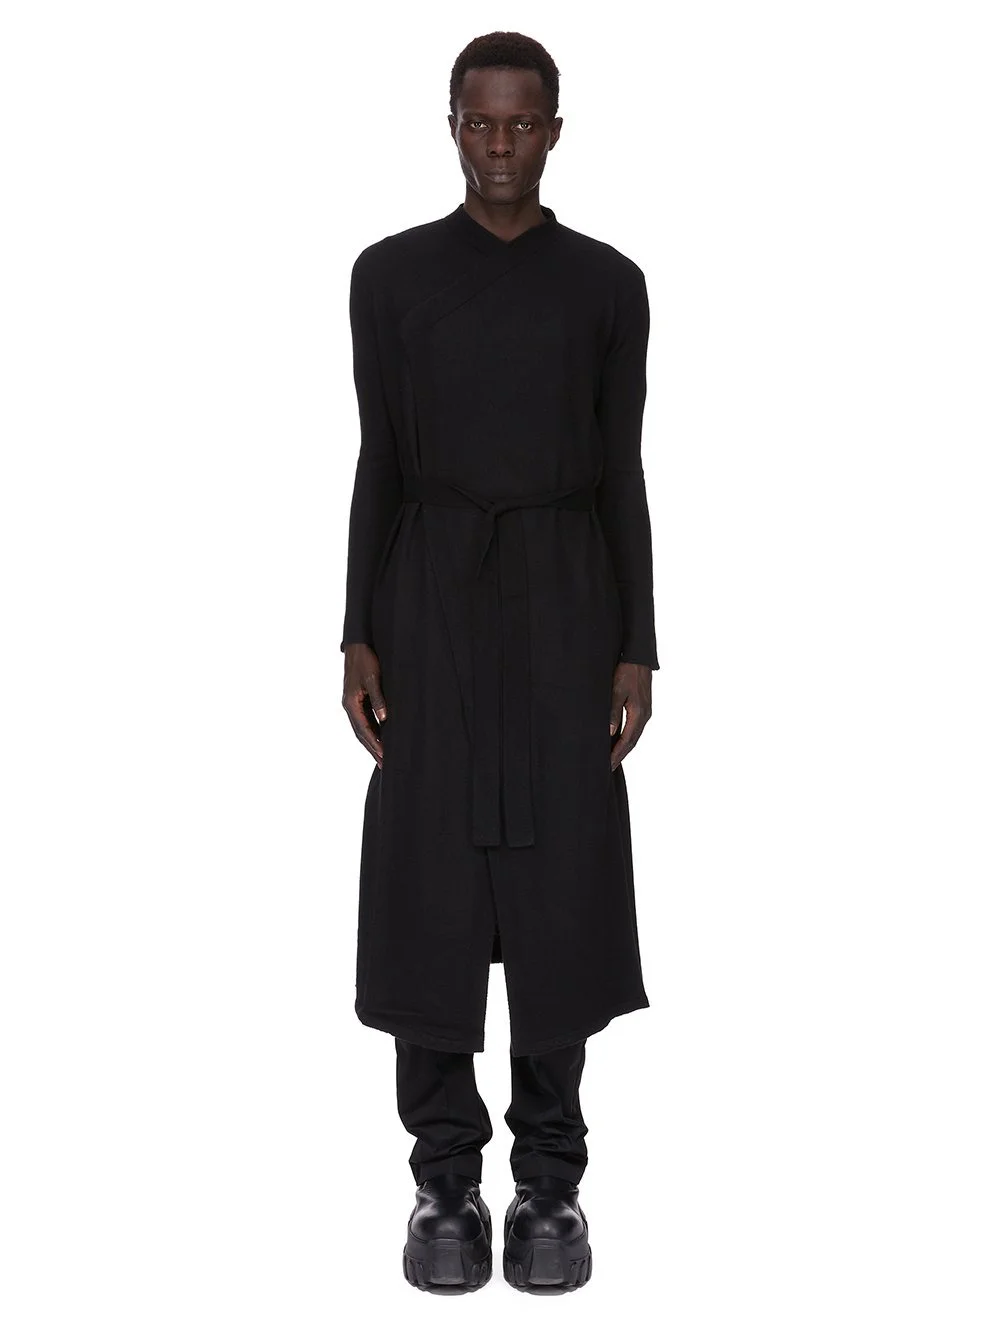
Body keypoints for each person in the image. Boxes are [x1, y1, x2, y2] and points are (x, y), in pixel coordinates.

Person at [340, 31, 658, 1292]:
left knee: (557, 896)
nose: (501, 146)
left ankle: (549, 1186)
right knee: (427, 891)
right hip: (427, 601)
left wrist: (637, 644)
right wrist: (356, 630)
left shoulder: (607, 286)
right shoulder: (389, 277)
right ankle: (441, 1182)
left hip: (566, 602)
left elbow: (621, 467)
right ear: (451, 126)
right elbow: (379, 459)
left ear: (556, 131)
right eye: (480, 122)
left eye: (523, 123)